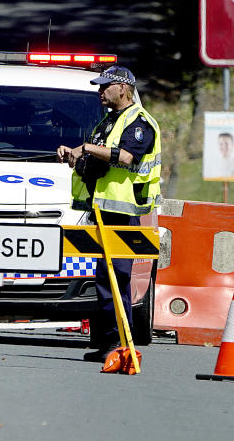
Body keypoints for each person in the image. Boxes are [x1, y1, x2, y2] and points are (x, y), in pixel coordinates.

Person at [56, 65, 161, 362]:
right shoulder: (108, 121)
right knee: (105, 276)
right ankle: (108, 341)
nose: (100, 92)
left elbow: (128, 157)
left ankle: (120, 341)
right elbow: (101, 162)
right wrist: (75, 157)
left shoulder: (139, 122)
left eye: (105, 87)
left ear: (123, 89)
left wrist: (86, 147)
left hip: (122, 211)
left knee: (117, 276)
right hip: (102, 207)